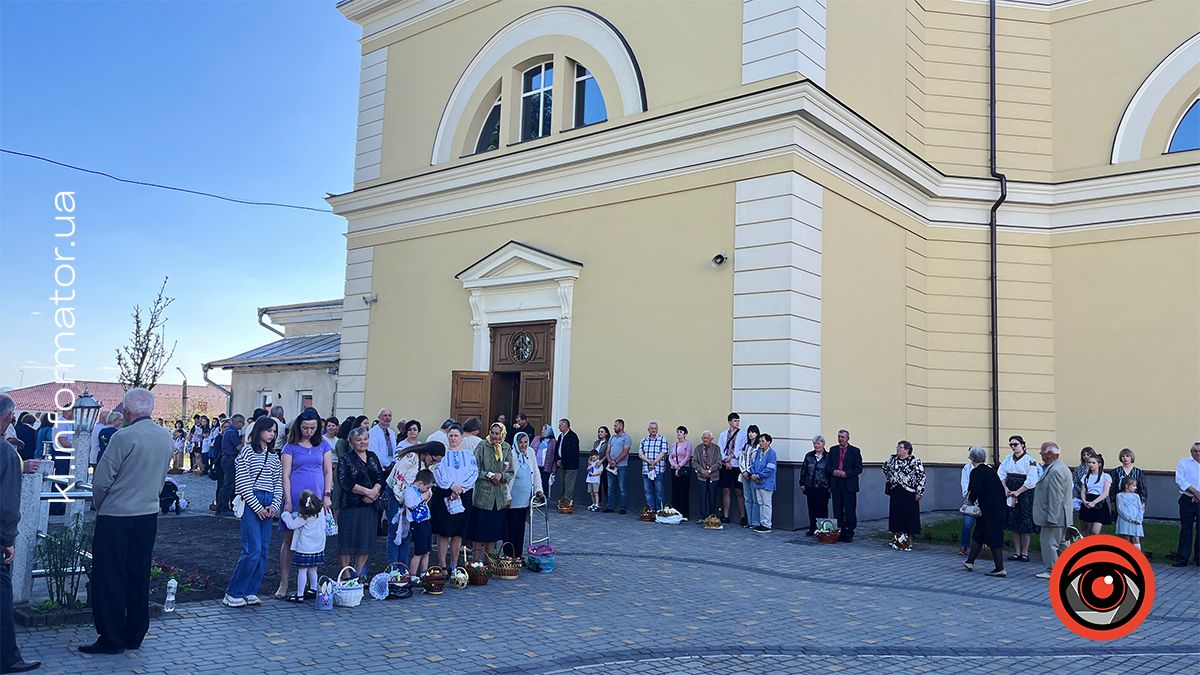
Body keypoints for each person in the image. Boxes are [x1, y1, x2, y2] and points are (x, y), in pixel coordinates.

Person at [82, 388, 172, 654]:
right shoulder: (165, 436)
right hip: (148, 513)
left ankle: (111, 637)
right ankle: (135, 632)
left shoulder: (123, 436)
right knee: (138, 573)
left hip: (117, 514)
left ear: (128, 411)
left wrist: (100, 505)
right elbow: (163, 474)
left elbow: (102, 480)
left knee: (110, 576)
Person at [221, 417, 282, 608]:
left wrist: (274, 506)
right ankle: (234, 592)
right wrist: (258, 507)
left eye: (274, 431)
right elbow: (243, 483)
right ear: (259, 431)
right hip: (252, 501)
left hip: (268, 500)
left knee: (263, 550)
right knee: (252, 549)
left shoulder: (273, 456)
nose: (272, 434)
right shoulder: (247, 452)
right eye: (269, 430)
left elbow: (278, 483)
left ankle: (250, 591)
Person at [274, 409, 333, 599]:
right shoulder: (290, 446)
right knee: (289, 540)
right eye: (305, 428)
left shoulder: (323, 445)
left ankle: (310, 582)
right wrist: (288, 501)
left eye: (312, 428)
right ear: (298, 427)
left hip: (317, 498)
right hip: (295, 496)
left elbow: (328, 471)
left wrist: (327, 495)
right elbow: (285, 475)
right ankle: (284, 582)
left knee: (312, 538)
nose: (309, 431)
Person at [1, 394, 40, 673]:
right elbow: (7, 505)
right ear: (7, 417)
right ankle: (7, 657)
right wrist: (8, 539)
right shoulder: (4, 452)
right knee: (3, 598)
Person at [337, 427, 384, 575]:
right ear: (351, 442)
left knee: (365, 540)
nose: (363, 442)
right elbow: (345, 482)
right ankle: (346, 574)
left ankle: (358, 573)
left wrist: (374, 492)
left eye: (365, 439)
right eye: (359, 440)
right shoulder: (345, 458)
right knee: (347, 540)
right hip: (351, 506)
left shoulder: (372, 456)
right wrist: (367, 492)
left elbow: (381, 477)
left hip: (370, 507)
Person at [433, 425, 477, 570]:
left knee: (458, 531)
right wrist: (451, 486)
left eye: (456, 436)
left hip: (463, 493)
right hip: (445, 492)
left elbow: (473, 472)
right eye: (451, 436)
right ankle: (442, 564)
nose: (453, 439)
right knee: (444, 531)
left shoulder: (469, 455)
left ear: (461, 437)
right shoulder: (442, 454)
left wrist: (461, 488)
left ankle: (454, 564)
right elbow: (437, 472)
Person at [962, 445, 1008, 577]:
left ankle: (1000, 568)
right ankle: (970, 562)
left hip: (989, 510)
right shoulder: (991, 471)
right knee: (979, 534)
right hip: (997, 508)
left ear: (972, 458)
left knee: (994, 537)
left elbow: (975, 490)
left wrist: (971, 499)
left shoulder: (975, 472)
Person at [470, 422, 513, 562]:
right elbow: (474, 468)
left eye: (497, 433)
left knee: (492, 534)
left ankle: (488, 563)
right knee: (478, 533)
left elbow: (511, 471)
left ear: (502, 434)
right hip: (483, 497)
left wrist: (501, 476)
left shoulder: (506, 448)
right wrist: (489, 475)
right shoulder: (482, 446)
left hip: (498, 498)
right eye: (492, 433)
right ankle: (475, 563)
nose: (494, 436)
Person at [1033, 442, 1073, 580]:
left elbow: (1056, 497)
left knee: (1049, 543)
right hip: (1063, 515)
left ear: (1050, 454)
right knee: (1062, 543)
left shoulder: (1055, 470)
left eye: (1042, 453)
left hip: (1055, 516)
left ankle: (1052, 570)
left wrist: (1052, 518)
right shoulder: (1061, 467)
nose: (1041, 455)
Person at [280, 490, 326, 603]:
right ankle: (314, 589)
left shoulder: (304, 516)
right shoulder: (321, 512)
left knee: (302, 571)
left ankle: (299, 594)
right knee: (313, 569)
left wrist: (285, 515)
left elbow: (292, 525)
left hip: (305, 548)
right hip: (318, 547)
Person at [998, 435, 1038, 563]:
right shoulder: (1008, 459)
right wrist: (1006, 489)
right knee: (1013, 522)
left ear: (1022, 445)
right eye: (1011, 445)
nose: (1013, 447)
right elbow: (1001, 473)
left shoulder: (1030, 460)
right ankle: (1017, 551)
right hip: (1010, 491)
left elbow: (1032, 479)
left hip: (1025, 493)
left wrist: (1018, 492)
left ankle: (1025, 552)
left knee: (1024, 523)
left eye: (1015, 444)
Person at [506, 432, 544, 555]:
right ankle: (509, 555)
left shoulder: (530, 453)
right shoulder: (511, 455)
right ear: (516, 443)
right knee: (511, 528)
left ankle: (518, 554)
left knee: (520, 528)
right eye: (520, 442)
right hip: (513, 499)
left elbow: (536, 472)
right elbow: (506, 479)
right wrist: (507, 497)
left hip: (525, 499)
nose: (523, 445)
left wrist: (539, 489)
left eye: (525, 442)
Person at [882, 440, 925, 550]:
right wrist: (891, 478)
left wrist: (919, 492)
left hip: (909, 492)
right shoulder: (892, 459)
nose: (897, 449)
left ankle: (908, 540)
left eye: (900, 447)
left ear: (907, 450)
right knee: (896, 515)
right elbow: (885, 468)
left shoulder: (915, 461)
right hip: (896, 490)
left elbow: (921, 476)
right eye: (897, 447)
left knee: (909, 516)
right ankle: (897, 538)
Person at [826, 429, 863, 542]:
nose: (840, 439)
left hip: (849, 484)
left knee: (849, 509)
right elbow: (828, 466)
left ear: (847, 438)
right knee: (837, 509)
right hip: (836, 483)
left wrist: (846, 473)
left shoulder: (855, 451)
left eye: (842, 437)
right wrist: (834, 471)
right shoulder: (833, 450)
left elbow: (858, 468)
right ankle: (840, 531)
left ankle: (849, 531)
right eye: (839, 436)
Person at [1172, 442, 1200, 567]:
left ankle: (1199, 559)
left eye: (1199, 451)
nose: (1198, 453)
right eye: (1195, 451)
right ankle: (1182, 559)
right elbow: (1180, 479)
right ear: (1191, 451)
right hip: (1187, 499)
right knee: (1186, 529)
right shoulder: (1183, 463)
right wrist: (1195, 493)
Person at [403, 469, 435, 577]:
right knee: (419, 552)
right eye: (427, 487)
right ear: (420, 483)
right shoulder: (409, 491)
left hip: (426, 520)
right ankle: (412, 575)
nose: (428, 490)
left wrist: (427, 495)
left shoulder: (423, 491)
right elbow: (409, 503)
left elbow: (426, 499)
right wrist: (422, 497)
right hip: (417, 523)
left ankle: (423, 574)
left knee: (426, 551)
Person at [716, 413, 746, 525]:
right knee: (726, 490)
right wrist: (725, 460)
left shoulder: (743, 434)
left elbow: (743, 449)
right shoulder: (723, 434)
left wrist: (732, 457)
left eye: (738, 420)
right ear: (729, 422)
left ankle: (743, 516)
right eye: (735, 420)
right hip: (725, 465)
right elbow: (720, 448)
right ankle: (726, 515)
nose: (737, 423)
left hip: (737, 465)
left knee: (739, 490)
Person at [798, 434, 831, 536]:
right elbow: (804, 470)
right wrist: (802, 483)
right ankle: (812, 528)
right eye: (815, 444)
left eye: (818, 443)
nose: (817, 446)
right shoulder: (809, 456)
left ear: (823, 444)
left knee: (822, 509)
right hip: (810, 486)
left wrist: (831, 486)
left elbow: (830, 472)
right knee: (812, 509)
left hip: (823, 487)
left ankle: (822, 529)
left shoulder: (828, 457)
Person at [216, 415, 245, 516]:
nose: (243, 425)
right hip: (229, 459)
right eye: (242, 422)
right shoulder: (232, 432)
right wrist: (244, 439)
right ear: (237, 422)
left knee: (228, 484)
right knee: (228, 484)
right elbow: (238, 447)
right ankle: (222, 507)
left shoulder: (230, 432)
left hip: (228, 458)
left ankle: (223, 506)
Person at [749, 433, 777, 533]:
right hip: (757, 482)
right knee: (760, 503)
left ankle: (767, 524)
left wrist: (759, 475)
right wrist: (753, 474)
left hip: (766, 482)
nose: (760, 443)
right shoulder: (758, 452)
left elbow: (770, 469)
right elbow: (753, 464)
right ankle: (762, 523)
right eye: (760, 441)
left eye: (763, 441)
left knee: (766, 503)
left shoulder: (772, 453)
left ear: (768, 442)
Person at [1078, 453, 1112, 536]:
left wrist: (1094, 502)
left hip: (1099, 502)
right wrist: (1084, 501)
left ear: (1099, 464)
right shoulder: (1086, 477)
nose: (1091, 464)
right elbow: (1083, 491)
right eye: (1089, 462)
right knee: (1087, 528)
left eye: (1093, 463)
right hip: (1088, 501)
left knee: (1095, 531)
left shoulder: (1105, 476)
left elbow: (1106, 492)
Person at [691, 430, 721, 521]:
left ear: (711, 439)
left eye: (707, 438)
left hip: (713, 476)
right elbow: (694, 462)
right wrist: (702, 471)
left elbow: (719, 463)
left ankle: (712, 516)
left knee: (712, 497)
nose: (705, 440)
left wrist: (710, 470)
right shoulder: (697, 448)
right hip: (701, 476)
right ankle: (702, 516)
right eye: (704, 438)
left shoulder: (716, 448)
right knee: (702, 497)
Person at [639, 421, 668, 511]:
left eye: (655, 428)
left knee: (659, 492)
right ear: (648, 429)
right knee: (648, 491)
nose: (653, 430)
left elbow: (663, 452)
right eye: (651, 428)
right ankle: (650, 510)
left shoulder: (662, 439)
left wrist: (654, 463)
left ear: (657, 429)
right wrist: (649, 462)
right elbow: (640, 454)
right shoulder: (643, 440)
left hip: (658, 469)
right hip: (646, 469)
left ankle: (660, 511)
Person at [604, 419, 631, 514]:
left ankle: (623, 507)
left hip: (621, 466)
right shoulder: (612, 437)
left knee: (622, 488)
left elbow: (625, 452)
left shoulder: (626, 438)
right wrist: (610, 460)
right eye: (614, 426)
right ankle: (610, 506)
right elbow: (607, 451)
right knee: (610, 487)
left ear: (621, 426)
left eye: (616, 426)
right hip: (610, 465)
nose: (614, 427)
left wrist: (615, 461)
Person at [738, 425, 761, 529]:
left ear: (757, 433)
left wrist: (749, 471)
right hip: (745, 475)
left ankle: (755, 522)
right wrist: (743, 471)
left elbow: (756, 461)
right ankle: (749, 521)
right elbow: (741, 459)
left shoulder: (758, 447)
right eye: (749, 432)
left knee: (755, 499)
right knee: (747, 498)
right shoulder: (746, 445)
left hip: (753, 475)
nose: (751, 434)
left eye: (753, 432)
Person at [1110, 448, 1147, 513]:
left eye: (1127, 456)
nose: (1125, 458)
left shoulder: (1138, 472)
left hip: (1134, 501)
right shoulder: (1116, 471)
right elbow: (1112, 488)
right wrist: (1112, 502)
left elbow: (1143, 489)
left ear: (1131, 457)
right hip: (1119, 500)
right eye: (1123, 456)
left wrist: (1143, 503)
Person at [554, 418, 580, 506]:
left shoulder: (573, 436)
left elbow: (573, 452)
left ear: (566, 426)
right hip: (561, 464)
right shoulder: (560, 436)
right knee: (562, 484)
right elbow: (557, 449)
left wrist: (563, 461)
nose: (559, 427)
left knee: (569, 485)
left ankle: (567, 502)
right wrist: (557, 459)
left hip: (571, 466)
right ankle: (561, 501)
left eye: (560, 425)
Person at [669, 426, 692, 520]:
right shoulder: (674, 444)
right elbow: (670, 456)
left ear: (685, 434)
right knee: (675, 491)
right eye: (677, 431)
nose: (678, 433)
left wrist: (680, 465)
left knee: (683, 492)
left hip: (684, 470)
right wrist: (674, 465)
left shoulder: (688, 444)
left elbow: (688, 456)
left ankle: (684, 513)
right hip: (674, 469)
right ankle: (675, 512)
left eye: (681, 432)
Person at [1115, 477, 1145, 549]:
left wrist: (1139, 518)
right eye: (1133, 486)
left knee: (1136, 538)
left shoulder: (1136, 496)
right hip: (1125, 520)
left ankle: (1137, 554)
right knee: (1126, 539)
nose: (1135, 487)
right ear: (1127, 486)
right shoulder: (1120, 496)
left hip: (1136, 520)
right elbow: (1120, 509)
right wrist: (1130, 519)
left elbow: (1140, 508)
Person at [532, 424, 556, 497]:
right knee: (535, 483)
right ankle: (535, 498)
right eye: (542, 429)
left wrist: (553, 469)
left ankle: (543, 498)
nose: (542, 431)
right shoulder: (537, 438)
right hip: (536, 466)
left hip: (546, 467)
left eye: (545, 430)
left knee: (544, 483)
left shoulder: (553, 442)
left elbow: (554, 455)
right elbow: (530, 449)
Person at [957, 456, 974, 555]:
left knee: (982, 525)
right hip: (970, 498)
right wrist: (966, 494)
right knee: (967, 524)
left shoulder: (986, 468)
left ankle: (982, 547)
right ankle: (964, 546)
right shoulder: (967, 468)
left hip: (982, 499)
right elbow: (964, 482)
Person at [590, 426, 610, 511]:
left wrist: (601, 461)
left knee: (605, 484)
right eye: (599, 432)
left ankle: (608, 503)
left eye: (602, 432)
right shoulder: (596, 443)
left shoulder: (608, 443)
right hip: (595, 467)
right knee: (596, 484)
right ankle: (597, 503)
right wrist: (590, 462)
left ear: (606, 433)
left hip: (604, 466)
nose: (600, 433)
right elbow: (593, 453)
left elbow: (607, 453)